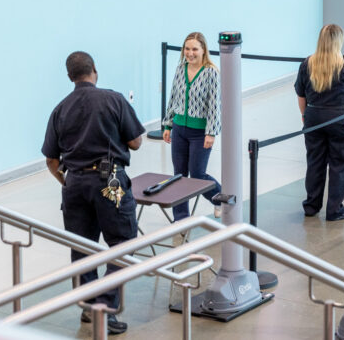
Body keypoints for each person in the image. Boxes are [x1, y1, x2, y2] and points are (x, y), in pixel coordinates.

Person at [42, 51, 145, 335]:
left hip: (74, 184)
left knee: (82, 246)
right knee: (123, 243)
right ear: (94, 70)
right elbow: (136, 142)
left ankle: (89, 305)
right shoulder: (114, 100)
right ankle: (105, 306)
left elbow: (51, 160)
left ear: (70, 77)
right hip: (110, 181)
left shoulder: (60, 109)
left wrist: (66, 181)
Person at [295, 24, 344, 221]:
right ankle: (334, 210)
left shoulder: (307, 64)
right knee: (340, 163)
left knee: (315, 162)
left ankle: (311, 206)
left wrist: (305, 116)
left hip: (313, 117)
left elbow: (301, 94)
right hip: (340, 119)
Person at [163, 32, 221, 220]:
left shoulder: (211, 72)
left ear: (203, 50)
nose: (190, 53)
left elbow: (215, 105)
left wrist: (211, 132)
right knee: (178, 175)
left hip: (200, 133)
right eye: (187, 49)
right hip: (179, 129)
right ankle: (181, 218)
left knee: (197, 175)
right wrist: (168, 125)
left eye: (194, 49)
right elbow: (173, 97)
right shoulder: (181, 69)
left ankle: (220, 199)